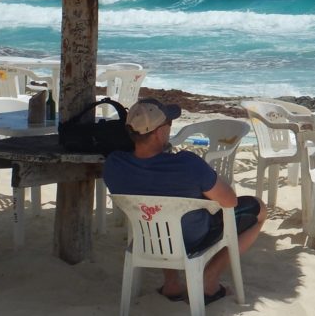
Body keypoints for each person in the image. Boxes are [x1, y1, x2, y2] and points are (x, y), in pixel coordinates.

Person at [103, 98, 267, 305]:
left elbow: (149, 181)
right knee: (259, 209)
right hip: (193, 238)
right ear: (159, 132)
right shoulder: (187, 164)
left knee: (157, 213)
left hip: (149, 237)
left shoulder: (114, 165)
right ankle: (210, 278)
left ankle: (171, 283)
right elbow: (230, 201)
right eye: (169, 125)